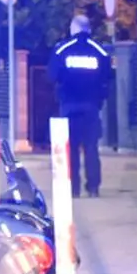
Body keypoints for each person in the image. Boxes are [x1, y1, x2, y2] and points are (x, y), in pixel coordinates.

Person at [47, 14, 112, 197]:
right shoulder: (99, 50)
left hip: (69, 105)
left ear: (73, 29)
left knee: (71, 148)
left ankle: (73, 187)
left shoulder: (62, 49)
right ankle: (93, 187)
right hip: (91, 106)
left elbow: (51, 76)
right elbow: (108, 77)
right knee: (91, 148)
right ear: (88, 29)